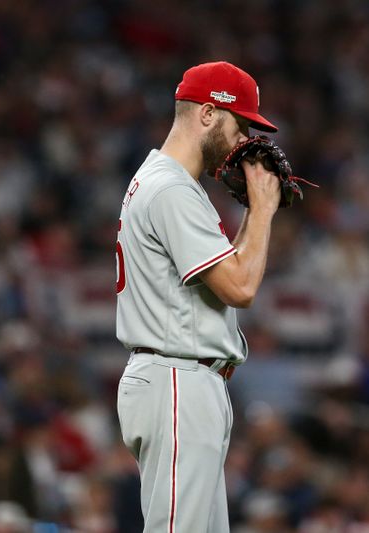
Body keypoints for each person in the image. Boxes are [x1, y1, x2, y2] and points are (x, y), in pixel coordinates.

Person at [114, 61, 281, 532]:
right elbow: (241, 287)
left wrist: (252, 212)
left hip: (184, 380)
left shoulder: (168, 183)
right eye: (240, 125)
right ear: (208, 113)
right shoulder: (171, 189)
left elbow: (232, 275)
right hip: (177, 380)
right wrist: (264, 211)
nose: (243, 142)